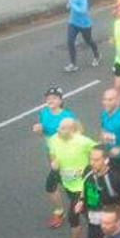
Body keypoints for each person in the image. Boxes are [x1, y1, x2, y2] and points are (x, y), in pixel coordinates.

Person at [48, 118, 97, 238]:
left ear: (72, 130)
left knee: (76, 216)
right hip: (69, 186)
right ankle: (99, 234)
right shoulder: (53, 139)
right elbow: (52, 154)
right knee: (91, 216)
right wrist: (54, 163)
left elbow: (100, 152)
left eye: (63, 128)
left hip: (87, 186)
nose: (58, 130)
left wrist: (91, 168)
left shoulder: (83, 142)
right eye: (58, 127)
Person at [77, 146, 120, 238]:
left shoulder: (115, 179)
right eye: (90, 159)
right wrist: (81, 201)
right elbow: (85, 186)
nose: (92, 163)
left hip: (110, 226)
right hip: (93, 222)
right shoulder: (88, 171)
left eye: (96, 160)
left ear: (106, 160)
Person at [32, 86, 77, 228]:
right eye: (48, 98)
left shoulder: (68, 117)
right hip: (51, 153)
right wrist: (39, 130)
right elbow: (43, 132)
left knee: (52, 185)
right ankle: (65, 208)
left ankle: (66, 210)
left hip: (65, 156)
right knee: (61, 183)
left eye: (54, 98)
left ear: (60, 100)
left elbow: (76, 137)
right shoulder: (43, 112)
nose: (50, 100)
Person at [64, 0, 101, 72]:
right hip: (73, 22)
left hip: (84, 24)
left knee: (88, 41)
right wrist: (69, 5)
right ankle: (73, 64)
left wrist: (72, 5)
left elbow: (83, 10)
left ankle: (97, 55)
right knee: (70, 41)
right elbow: (70, 3)